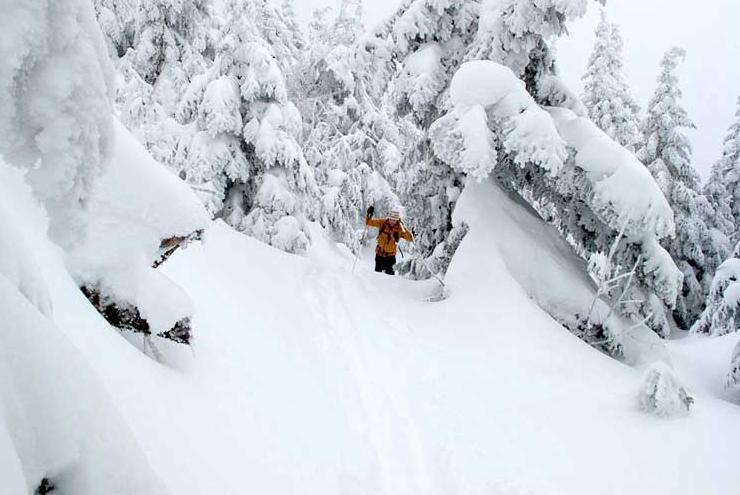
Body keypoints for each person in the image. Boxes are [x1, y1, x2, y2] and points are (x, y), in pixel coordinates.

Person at [365, 205, 413, 275]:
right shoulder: (383, 223)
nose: (392, 221)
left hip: (390, 257)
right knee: (377, 274)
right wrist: (369, 214)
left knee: (390, 276)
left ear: (397, 220)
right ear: (389, 218)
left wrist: (412, 233)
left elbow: (410, 238)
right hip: (379, 254)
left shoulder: (400, 228)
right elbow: (369, 223)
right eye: (391, 219)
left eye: (394, 220)